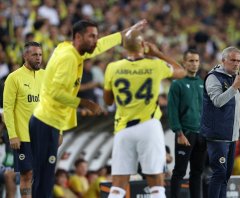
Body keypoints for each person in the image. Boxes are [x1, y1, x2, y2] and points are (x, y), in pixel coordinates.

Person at [28, 19, 148, 198]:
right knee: (44, 179)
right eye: (91, 36)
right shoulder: (69, 58)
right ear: (78, 37)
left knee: (44, 177)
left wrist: (126, 33)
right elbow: (55, 92)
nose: (95, 40)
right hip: (46, 122)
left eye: (96, 36)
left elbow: (99, 46)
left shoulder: (71, 49)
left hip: (50, 122)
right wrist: (85, 103)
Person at [103, 29, 186, 198]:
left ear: (124, 47)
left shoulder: (112, 67)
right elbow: (182, 72)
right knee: (156, 184)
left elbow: (108, 101)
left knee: (118, 185)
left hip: (123, 128)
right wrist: (157, 53)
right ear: (143, 45)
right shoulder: (154, 65)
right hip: (149, 126)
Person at [200, 46, 240, 198]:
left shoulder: (233, 77)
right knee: (219, 172)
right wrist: (235, 87)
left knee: (225, 175)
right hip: (217, 135)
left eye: (238, 61)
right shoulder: (214, 77)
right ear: (223, 60)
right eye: (232, 60)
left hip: (231, 135)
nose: (236, 64)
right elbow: (217, 101)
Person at [3, 41, 44, 198]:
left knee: (42, 175)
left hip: (43, 136)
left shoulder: (46, 75)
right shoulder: (13, 78)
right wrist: (12, 134)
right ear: (25, 55)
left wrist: (58, 131)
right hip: (23, 137)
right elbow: (8, 109)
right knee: (27, 175)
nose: (38, 58)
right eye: (34, 55)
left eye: (40, 55)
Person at [168, 49, 207, 198]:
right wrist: (179, 132)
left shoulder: (202, 83)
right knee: (179, 171)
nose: (194, 64)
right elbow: (172, 111)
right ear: (184, 63)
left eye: (197, 61)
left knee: (197, 172)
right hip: (185, 134)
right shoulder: (177, 84)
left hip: (201, 135)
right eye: (191, 61)